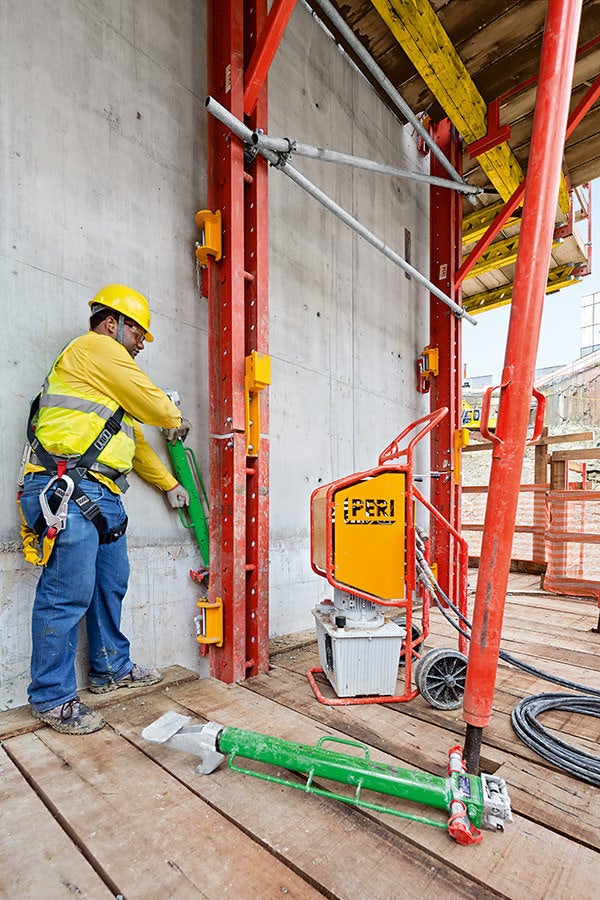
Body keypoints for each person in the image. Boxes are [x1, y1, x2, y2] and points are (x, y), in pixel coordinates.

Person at [18, 284, 192, 735]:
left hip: (102, 497)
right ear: (112, 323)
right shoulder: (93, 348)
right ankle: (51, 697)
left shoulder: (107, 388)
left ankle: (110, 667)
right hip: (65, 487)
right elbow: (152, 400)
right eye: (138, 334)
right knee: (66, 594)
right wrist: (176, 418)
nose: (140, 346)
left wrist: (169, 483)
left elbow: (131, 445)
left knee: (109, 584)